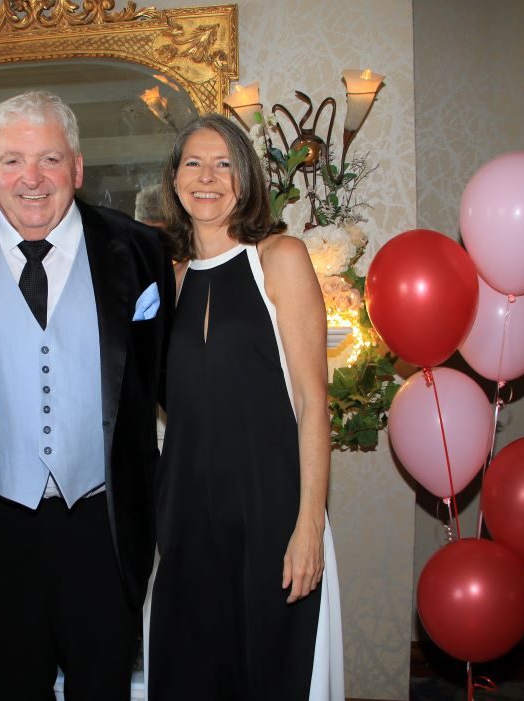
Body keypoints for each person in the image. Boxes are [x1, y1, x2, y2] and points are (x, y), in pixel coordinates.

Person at [0, 91, 174, 701]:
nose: (31, 179)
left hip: (103, 524)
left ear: (78, 169)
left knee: (102, 688)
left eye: (50, 159)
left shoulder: (139, 251)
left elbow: (168, 377)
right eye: (11, 161)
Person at [148, 114, 345, 700]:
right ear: (175, 179)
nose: (207, 177)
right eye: (193, 163)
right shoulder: (171, 279)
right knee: (190, 674)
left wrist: (308, 524)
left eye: (224, 163)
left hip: (271, 512)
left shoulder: (278, 258)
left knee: (271, 673)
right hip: (186, 521)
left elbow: (313, 403)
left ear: (246, 178)